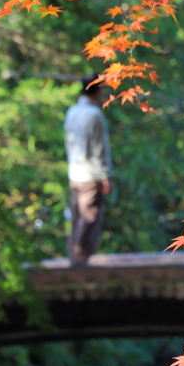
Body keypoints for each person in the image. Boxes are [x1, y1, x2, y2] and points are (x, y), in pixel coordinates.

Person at [64, 73, 112, 266]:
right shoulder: (94, 115)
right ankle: (80, 262)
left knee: (77, 218)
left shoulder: (72, 111)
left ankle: (74, 259)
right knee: (88, 219)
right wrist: (106, 177)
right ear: (98, 90)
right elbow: (99, 150)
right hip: (90, 175)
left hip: (74, 172)